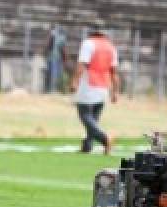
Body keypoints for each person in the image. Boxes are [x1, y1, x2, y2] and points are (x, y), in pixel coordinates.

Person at [70, 24, 119, 154]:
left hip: (89, 84)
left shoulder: (88, 44)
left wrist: (75, 81)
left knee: (85, 115)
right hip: (104, 86)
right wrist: (115, 91)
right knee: (94, 120)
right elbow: (114, 72)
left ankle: (105, 139)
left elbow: (82, 65)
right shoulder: (111, 47)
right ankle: (87, 146)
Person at [44, 25, 69, 93]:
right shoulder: (62, 37)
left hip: (50, 57)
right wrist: (65, 60)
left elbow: (47, 46)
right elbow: (64, 50)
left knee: (50, 74)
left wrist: (45, 53)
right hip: (57, 58)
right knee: (55, 74)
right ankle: (53, 89)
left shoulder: (52, 34)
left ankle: (49, 89)